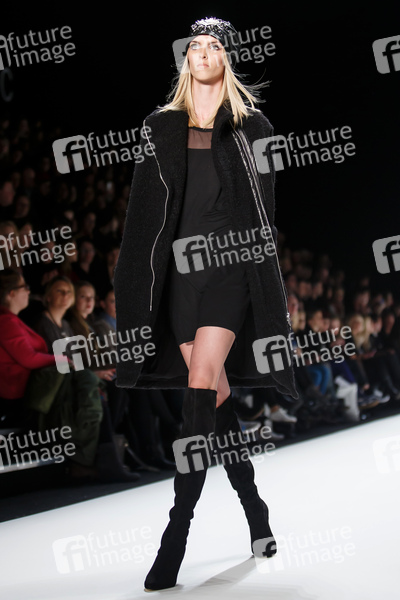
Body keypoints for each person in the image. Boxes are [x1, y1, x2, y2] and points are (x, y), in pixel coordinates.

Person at [113, 16, 299, 591]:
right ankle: (256, 513)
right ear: (185, 59)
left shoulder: (253, 126)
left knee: (199, 379)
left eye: (214, 45)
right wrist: (134, 280)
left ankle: (175, 535)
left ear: (227, 58)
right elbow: (143, 213)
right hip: (178, 278)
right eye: (195, 45)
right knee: (214, 400)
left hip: (229, 271)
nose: (203, 53)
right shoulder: (159, 127)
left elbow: (264, 210)